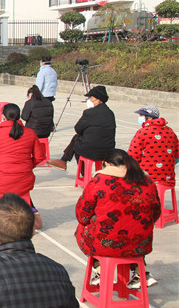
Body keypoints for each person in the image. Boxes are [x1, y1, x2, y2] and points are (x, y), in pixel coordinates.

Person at [76, 149, 161, 288]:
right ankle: (141, 271)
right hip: (141, 244)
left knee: (81, 228)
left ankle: (100, 270)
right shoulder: (146, 180)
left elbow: (82, 214)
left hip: (106, 244)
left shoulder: (99, 181)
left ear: (107, 164)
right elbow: (156, 212)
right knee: (134, 230)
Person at [0, 103, 45, 227]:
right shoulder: (30, 133)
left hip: (2, 179)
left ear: (3, 116)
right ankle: (32, 210)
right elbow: (39, 157)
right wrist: (27, 166)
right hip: (24, 180)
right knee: (20, 188)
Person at [48, 85, 116, 171]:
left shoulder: (90, 112)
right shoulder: (110, 113)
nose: (89, 100)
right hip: (108, 149)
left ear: (97, 99)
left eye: (91, 98)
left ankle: (81, 171)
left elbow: (78, 128)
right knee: (77, 140)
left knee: (77, 144)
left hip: (93, 150)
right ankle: (64, 161)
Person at [128, 105, 178, 187]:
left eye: (141, 116)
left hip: (146, 178)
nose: (139, 118)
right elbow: (177, 154)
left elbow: (133, 155)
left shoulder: (143, 132)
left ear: (149, 118)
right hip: (168, 179)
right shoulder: (170, 131)